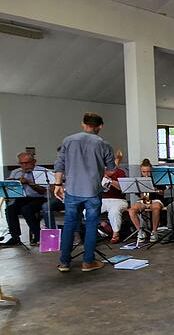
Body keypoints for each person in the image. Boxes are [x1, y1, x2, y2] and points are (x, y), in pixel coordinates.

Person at [53, 112, 116, 273]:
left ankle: (64, 262)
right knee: (91, 225)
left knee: (69, 226)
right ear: (100, 126)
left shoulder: (68, 140)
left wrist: (58, 184)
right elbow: (110, 170)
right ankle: (88, 262)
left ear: (83, 124)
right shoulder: (104, 144)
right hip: (92, 191)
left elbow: (59, 164)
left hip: (72, 190)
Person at [3, 152, 48, 246]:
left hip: (39, 198)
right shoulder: (16, 172)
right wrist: (10, 185)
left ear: (34, 161)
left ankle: (38, 236)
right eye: (21, 163)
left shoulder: (42, 172)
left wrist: (29, 183)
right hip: (23, 198)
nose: (24, 165)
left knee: (26, 209)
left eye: (27, 163)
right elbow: (12, 193)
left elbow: (43, 191)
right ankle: (15, 237)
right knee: (10, 209)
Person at [127, 159, 165, 243]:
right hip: (145, 199)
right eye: (144, 172)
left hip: (156, 199)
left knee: (156, 208)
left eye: (148, 171)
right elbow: (139, 195)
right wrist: (142, 190)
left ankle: (154, 231)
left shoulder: (158, 178)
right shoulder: (139, 180)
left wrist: (155, 190)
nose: (146, 174)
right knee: (132, 210)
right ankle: (140, 231)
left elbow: (162, 193)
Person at [99, 148, 129, 244]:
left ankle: (115, 233)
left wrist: (110, 181)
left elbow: (122, 188)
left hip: (118, 200)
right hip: (102, 199)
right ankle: (102, 225)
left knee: (114, 211)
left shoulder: (120, 172)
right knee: (87, 210)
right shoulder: (99, 172)